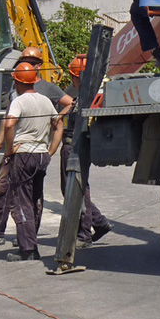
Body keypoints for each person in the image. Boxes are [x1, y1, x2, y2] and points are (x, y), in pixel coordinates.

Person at [0, 46, 73, 249]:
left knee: (30, 197)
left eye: (33, 62)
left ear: (40, 66)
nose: (28, 64)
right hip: (16, 149)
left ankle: (27, 238)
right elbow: (9, 118)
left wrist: (56, 123)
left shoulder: (47, 89)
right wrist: (0, 143)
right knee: (3, 190)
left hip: (26, 151)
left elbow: (70, 103)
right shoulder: (16, 89)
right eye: (24, 60)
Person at [0, 62, 63, 262]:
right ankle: (31, 242)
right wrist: (51, 150)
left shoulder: (19, 101)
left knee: (21, 202)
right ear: (34, 80)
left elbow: (9, 124)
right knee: (35, 199)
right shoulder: (45, 101)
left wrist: (9, 149)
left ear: (17, 82)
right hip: (41, 155)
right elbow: (58, 125)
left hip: (23, 154)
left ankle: (27, 249)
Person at [61, 54, 112, 247]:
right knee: (77, 188)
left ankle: (84, 233)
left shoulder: (85, 99)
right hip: (80, 146)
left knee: (76, 189)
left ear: (76, 77)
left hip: (75, 146)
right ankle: (98, 222)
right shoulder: (87, 97)